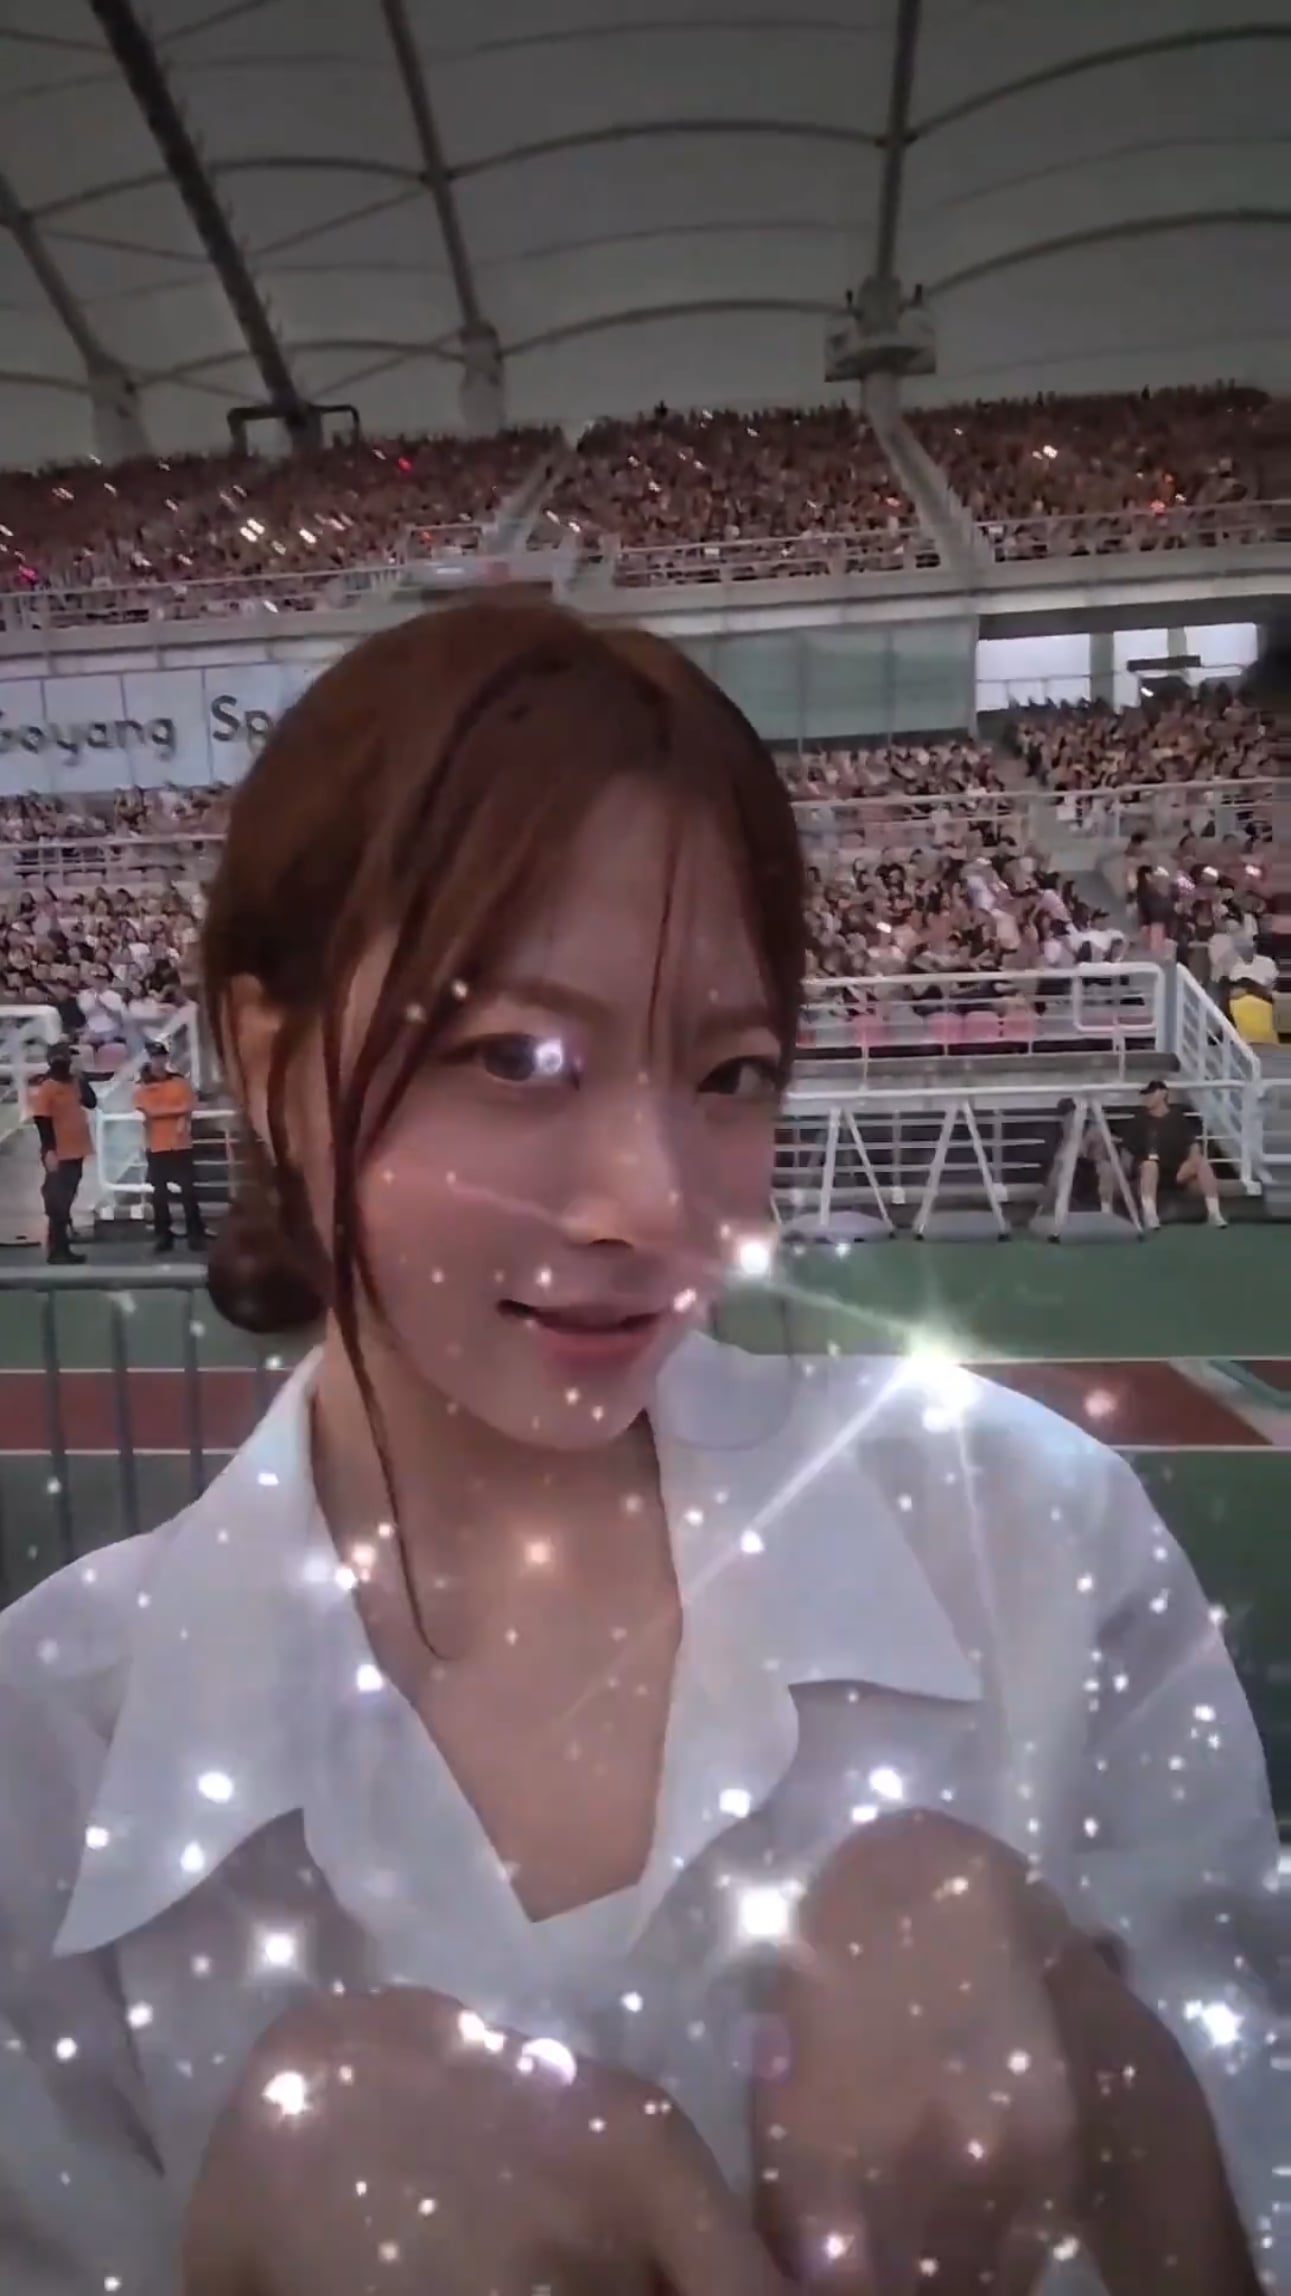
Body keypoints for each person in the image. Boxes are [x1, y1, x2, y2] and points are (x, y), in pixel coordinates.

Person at [0, 602, 1280, 2296]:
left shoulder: (1030, 1538)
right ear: (269, 1060)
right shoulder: (47, 1765)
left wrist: (1096, 2055)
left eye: (729, 1073)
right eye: (518, 1060)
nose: (651, 1204)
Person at [1123, 1079, 1228, 1230]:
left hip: (1177, 1171)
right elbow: (1127, 1151)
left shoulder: (1177, 1118)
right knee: (1150, 1165)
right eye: (1145, 1094)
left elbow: (1193, 1144)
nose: (1146, 1097)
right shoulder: (1139, 1120)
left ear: (1163, 1094)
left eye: (1150, 1093)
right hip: (1149, 1173)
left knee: (1200, 1161)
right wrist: (1128, 1175)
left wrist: (1191, 1159)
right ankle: (1150, 1215)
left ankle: (1214, 1212)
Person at [134, 1040, 207, 1255]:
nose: (157, 1061)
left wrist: (172, 1112)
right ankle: (163, 1235)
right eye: (154, 1057)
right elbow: (148, 1110)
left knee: (189, 1191)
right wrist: (177, 1111)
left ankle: (195, 1233)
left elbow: (189, 1104)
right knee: (160, 1194)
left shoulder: (179, 1082)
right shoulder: (142, 1085)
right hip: (157, 1145)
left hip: (180, 1143)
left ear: (165, 1058)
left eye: (160, 1057)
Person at [27, 1038, 96, 1264]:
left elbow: (91, 1102)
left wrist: (81, 1077)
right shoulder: (48, 1087)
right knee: (57, 1201)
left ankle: (60, 1246)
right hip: (59, 1152)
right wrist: (49, 1150)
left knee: (66, 1200)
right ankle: (58, 1249)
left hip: (77, 1149)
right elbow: (42, 1120)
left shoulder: (73, 1082)